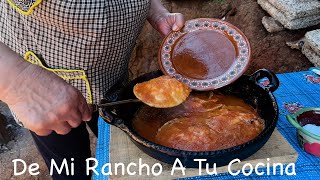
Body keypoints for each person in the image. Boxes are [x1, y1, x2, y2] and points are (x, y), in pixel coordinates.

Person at [0, 0, 184, 179]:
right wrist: (18, 82)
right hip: (44, 95)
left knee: (114, 146)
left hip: (112, 78)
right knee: (70, 169)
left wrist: (155, 10)